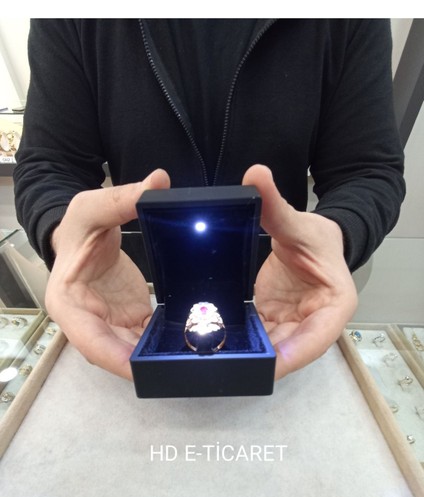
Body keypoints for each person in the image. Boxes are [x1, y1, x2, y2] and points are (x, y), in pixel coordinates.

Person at [14, 19, 405, 382]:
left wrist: (338, 234)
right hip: (128, 295)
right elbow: (50, 164)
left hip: (289, 292)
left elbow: (367, 171)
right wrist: (66, 235)